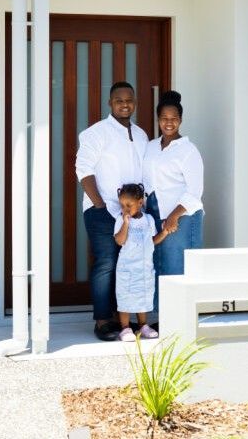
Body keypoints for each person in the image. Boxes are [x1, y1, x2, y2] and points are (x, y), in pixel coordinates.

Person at [75, 81, 149, 341]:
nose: (125, 104)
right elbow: (83, 170)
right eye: (119, 100)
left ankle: (126, 321)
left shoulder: (141, 135)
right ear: (110, 103)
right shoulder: (95, 133)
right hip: (103, 211)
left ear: (135, 102)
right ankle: (103, 321)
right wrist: (100, 205)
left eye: (129, 99)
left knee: (129, 266)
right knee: (106, 263)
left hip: (134, 215)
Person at [143, 90, 204, 284]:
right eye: (164, 118)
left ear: (181, 120)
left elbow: (195, 191)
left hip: (181, 216)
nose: (169, 123)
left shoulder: (188, 150)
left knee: (176, 267)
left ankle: (179, 314)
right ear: (158, 120)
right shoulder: (150, 146)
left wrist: (173, 216)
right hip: (154, 212)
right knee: (158, 264)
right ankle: (161, 313)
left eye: (174, 118)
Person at [113, 183, 169, 342]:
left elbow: (153, 241)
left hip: (144, 268)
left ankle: (143, 325)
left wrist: (164, 232)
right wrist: (125, 223)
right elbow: (119, 240)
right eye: (122, 205)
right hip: (127, 268)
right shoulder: (121, 219)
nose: (125, 208)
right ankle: (125, 328)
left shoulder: (149, 220)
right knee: (125, 296)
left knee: (143, 296)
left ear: (140, 202)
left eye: (129, 205)